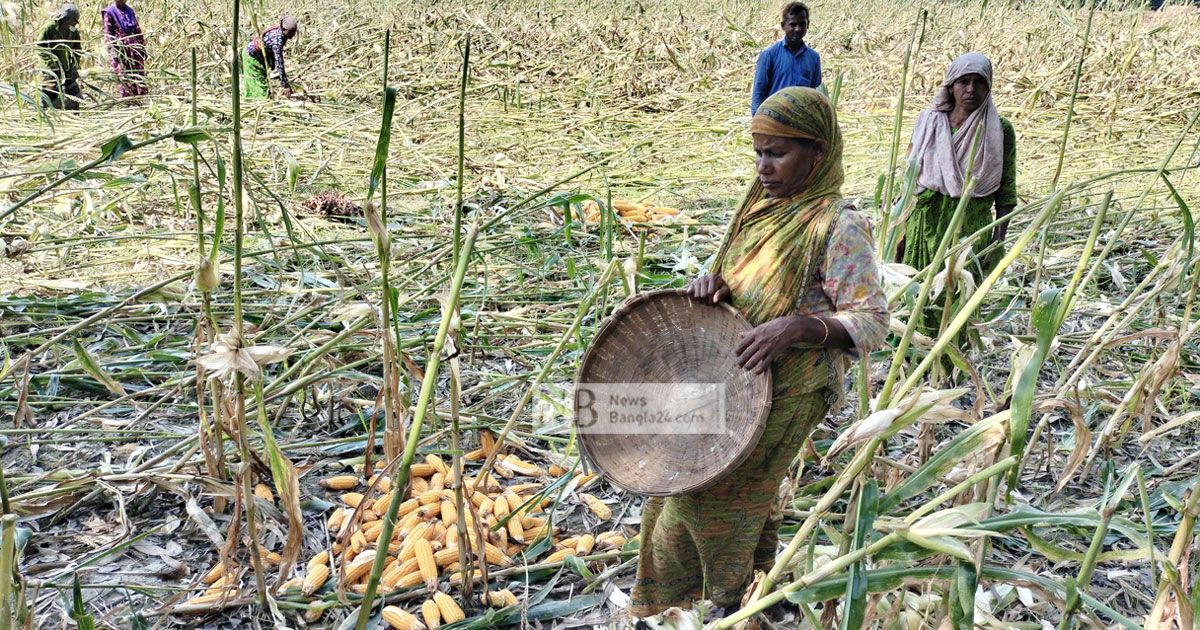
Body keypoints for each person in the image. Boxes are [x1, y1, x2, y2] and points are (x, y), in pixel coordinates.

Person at [629, 87, 888, 617]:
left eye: (778, 154)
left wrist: (796, 327)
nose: (764, 167)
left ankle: (725, 606)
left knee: (709, 496)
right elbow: (741, 274)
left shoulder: (838, 224)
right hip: (730, 377)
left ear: (818, 153)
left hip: (789, 388)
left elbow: (872, 321)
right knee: (727, 493)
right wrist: (714, 284)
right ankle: (751, 598)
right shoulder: (761, 207)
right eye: (759, 153)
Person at [897, 52, 1017, 275]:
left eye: (979, 82)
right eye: (964, 82)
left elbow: (1006, 192)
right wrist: (898, 231)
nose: (971, 89)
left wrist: (997, 242)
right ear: (951, 86)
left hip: (969, 233)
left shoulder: (1000, 130)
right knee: (916, 296)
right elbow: (909, 178)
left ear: (988, 87)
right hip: (923, 227)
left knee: (960, 299)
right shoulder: (929, 122)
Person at [750, 2, 822, 115]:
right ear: (783, 25)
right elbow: (759, 92)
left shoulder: (813, 58)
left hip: (802, 123)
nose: (798, 29)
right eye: (793, 24)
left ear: (808, 25)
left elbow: (816, 94)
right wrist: (758, 123)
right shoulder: (769, 55)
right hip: (774, 119)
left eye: (802, 24)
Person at [37, 3, 82, 110]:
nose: (75, 24)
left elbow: (77, 50)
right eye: (73, 21)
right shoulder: (49, 28)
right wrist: (52, 62)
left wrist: (74, 65)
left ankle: (76, 116)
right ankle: (44, 114)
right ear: (65, 19)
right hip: (50, 67)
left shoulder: (73, 31)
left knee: (75, 94)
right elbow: (40, 47)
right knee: (50, 91)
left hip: (66, 66)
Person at [242, 15, 299, 100]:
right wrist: (285, 85)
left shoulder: (281, 33)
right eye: (291, 32)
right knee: (258, 83)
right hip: (252, 57)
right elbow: (279, 63)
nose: (293, 35)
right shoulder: (277, 40)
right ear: (283, 29)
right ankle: (261, 104)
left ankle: (254, 101)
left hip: (260, 57)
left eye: (294, 32)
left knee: (260, 81)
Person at [101, 0, 148, 98]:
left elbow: (137, 30)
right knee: (124, 75)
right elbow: (108, 34)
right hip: (121, 50)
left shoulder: (130, 11)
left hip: (134, 49)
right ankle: (127, 100)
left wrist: (142, 47)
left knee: (138, 74)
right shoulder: (109, 13)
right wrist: (113, 51)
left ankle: (140, 98)